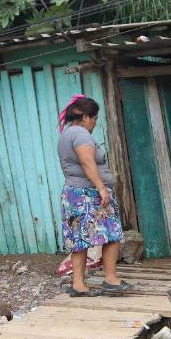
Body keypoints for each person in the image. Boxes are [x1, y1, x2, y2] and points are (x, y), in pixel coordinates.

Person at [57, 94, 133, 296]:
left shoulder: (67, 134)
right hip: (88, 195)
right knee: (113, 234)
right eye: (95, 119)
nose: (95, 123)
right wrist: (101, 187)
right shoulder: (81, 134)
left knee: (79, 239)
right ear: (86, 117)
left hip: (74, 194)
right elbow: (86, 161)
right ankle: (111, 279)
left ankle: (78, 285)